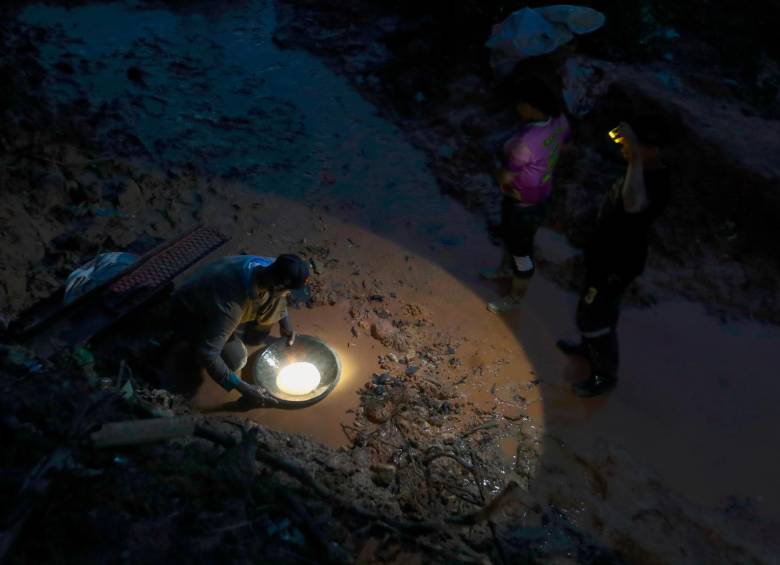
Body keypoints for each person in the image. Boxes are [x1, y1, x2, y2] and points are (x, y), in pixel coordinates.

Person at [558, 116, 671, 397]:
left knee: (596, 318)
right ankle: (587, 350)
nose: (624, 148)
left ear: (652, 149)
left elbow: (633, 205)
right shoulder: (641, 169)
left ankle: (605, 375)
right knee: (592, 307)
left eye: (632, 145)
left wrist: (634, 161)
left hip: (618, 263)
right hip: (603, 256)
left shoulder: (656, 180)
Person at [169, 253, 309, 403]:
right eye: (288, 290)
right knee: (236, 359)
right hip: (189, 311)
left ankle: (228, 328)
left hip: (213, 294)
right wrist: (242, 387)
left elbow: (279, 295)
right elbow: (208, 353)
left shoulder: (271, 266)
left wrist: (285, 325)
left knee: (263, 320)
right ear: (279, 285)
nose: (288, 294)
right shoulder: (233, 306)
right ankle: (190, 340)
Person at [481, 76, 570, 312]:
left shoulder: (525, 142)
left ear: (532, 107)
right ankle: (505, 270)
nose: (517, 107)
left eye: (521, 103)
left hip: (521, 205)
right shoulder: (560, 122)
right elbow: (561, 145)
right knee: (512, 239)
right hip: (542, 196)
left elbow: (505, 178)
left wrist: (500, 173)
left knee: (522, 252)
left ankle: (515, 296)